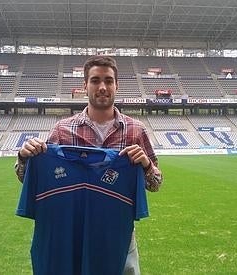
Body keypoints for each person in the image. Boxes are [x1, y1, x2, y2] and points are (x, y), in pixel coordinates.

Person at [15, 55, 163, 275]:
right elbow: (32, 177)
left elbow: (156, 183)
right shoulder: (62, 130)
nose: (102, 87)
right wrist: (25, 159)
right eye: (95, 80)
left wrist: (146, 166)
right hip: (70, 232)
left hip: (117, 236)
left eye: (108, 81)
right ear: (85, 86)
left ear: (116, 85)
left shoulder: (136, 130)